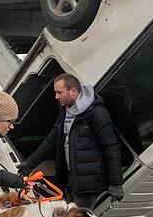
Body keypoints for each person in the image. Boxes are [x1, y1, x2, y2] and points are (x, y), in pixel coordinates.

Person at [18, 73, 123, 208]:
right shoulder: (65, 111)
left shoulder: (96, 114)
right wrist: (28, 164)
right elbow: (51, 141)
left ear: (73, 91)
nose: (56, 97)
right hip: (71, 179)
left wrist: (116, 183)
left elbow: (111, 147)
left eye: (59, 92)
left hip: (88, 184)